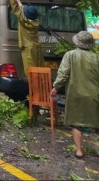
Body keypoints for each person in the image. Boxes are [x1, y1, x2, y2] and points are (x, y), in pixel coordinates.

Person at [51, 31, 99, 159]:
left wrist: (55, 87)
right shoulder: (97, 57)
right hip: (95, 94)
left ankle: (79, 151)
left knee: (76, 123)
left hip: (76, 94)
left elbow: (63, 74)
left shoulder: (70, 55)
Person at [7, 0, 43, 77]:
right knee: (40, 69)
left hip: (28, 47)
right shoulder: (36, 21)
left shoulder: (23, 20)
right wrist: (20, 3)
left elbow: (16, 10)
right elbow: (23, 12)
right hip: (37, 45)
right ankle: (41, 86)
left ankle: (34, 88)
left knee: (30, 71)